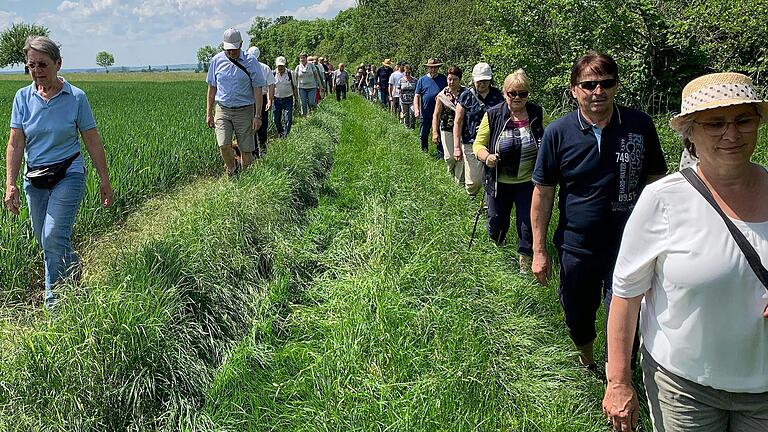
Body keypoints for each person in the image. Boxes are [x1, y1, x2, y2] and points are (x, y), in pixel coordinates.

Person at [604, 72, 768, 432]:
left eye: (743, 119)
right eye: (715, 124)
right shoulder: (663, 199)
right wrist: (618, 382)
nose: (732, 133)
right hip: (684, 389)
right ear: (690, 133)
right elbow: (626, 295)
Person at [530, 52, 667, 371]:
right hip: (577, 246)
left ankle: (617, 377)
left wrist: (659, 236)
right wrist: (539, 250)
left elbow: (657, 182)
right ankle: (587, 359)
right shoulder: (558, 132)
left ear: (616, 86)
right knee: (578, 313)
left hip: (631, 247)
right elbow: (543, 192)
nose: (598, 91)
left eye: (606, 83)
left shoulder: (639, 125)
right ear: (574, 89)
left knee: (626, 317)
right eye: (589, 84)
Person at [4, 36, 113, 308]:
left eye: (43, 64)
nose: (37, 70)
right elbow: (16, 143)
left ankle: (55, 305)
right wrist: (11, 184)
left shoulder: (76, 98)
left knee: (53, 236)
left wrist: (104, 180)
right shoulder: (22, 98)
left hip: (69, 173)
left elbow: (91, 139)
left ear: (58, 64)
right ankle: (73, 268)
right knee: (45, 240)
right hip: (35, 178)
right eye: (31, 65)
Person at [472, 70, 544, 272]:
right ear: (504, 93)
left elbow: (543, 141)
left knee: (526, 224)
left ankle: (524, 264)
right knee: (496, 222)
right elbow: (478, 145)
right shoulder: (493, 114)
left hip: (527, 182)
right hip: (498, 182)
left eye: (522, 93)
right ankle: (497, 259)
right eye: (512, 93)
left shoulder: (536, 113)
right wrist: (487, 157)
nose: (517, 98)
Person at [206, 28, 266, 175]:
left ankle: (246, 179)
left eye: (234, 49)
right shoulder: (217, 60)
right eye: (228, 49)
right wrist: (208, 113)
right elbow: (212, 88)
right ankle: (233, 171)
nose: (231, 52)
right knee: (224, 145)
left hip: (245, 110)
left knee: (246, 149)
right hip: (223, 109)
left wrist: (257, 115)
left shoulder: (251, 61)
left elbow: (257, 88)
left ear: (241, 44)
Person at [453, 62, 504, 197]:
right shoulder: (466, 96)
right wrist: (457, 146)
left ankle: (489, 203)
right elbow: (457, 122)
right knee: (474, 181)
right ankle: (471, 197)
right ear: (474, 80)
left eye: (485, 81)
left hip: (492, 143)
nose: (482, 84)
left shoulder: (498, 96)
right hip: (471, 142)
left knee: (492, 177)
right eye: (479, 81)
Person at [432, 66, 467, 183]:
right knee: (449, 157)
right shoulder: (442, 96)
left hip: (463, 129)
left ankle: (458, 183)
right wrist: (435, 132)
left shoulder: (466, 94)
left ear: (460, 80)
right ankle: (450, 174)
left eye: (454, 79)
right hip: (446, 128)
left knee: (460, 157)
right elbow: (436, 115)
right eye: (449, 79)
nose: (451, 82)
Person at [413, 58, 448, 155]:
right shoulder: (422, 80)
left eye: (435, 68)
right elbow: (417, 95)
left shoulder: (443, 79)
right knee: (424, 133)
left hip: (441, 112)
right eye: (431, 68)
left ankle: (440, 154)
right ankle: (424, 152)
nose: (433, 70)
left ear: (438, 68)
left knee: (441, 133)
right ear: (427, 68)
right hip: (426, 112)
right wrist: (416, 109)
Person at [246, 46, 275, 158]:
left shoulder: (263, 68)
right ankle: (257, 151)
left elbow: (271, 85)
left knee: (257, 125)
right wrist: (270, 100)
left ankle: (260, 150)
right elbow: (271, 85)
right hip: (251, 99)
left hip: (257, 98)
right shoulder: (264, 67)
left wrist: (269, 100)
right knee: (257, 125)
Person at [272, 55, 298, 137]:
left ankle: (286, 136)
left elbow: (294, 87)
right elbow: (271, 87)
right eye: (279, 66)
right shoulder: (273, 74)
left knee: (288, 119)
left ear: (285, 65)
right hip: (276, 100)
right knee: (276, 119)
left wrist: (296, 99)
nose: (280, 68)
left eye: (282, 66)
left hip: (288, 99)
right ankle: (281, 132)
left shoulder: (290, 73)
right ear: (276, 66)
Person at [398, 64, 418, 130]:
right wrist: (399, 92)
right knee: (405, 115)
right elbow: (398, 88)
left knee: (412, 113)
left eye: (409, 72)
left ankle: (412, 127)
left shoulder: (415, 80)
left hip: (412, 101)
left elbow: (417, 91)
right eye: (406, 72)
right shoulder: (401, 80)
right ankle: (406, 128)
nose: (407, 74)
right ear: (404, 72)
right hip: (403, 101)